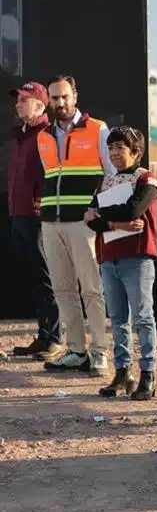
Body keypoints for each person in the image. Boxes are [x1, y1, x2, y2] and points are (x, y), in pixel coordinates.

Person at [38, 75, 115, 377]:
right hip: (51, 223)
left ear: (75, 96)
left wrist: (99, 212)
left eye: (64, 96)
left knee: (92, 289)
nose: (60, 103)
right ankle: (76, 350)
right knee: (62, 289)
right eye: (54, 98)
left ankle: (99, 352)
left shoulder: (97, 129)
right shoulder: (43, 136)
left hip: (83, 223)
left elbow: (111, 174)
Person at [84, 126, 157, 401]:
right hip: (109, 257)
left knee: (142, 317)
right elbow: (89, 219)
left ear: (136, 152)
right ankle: (122, 371)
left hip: (136, 257)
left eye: (120, 148)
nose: (115, 153)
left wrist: (102, 214)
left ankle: (148, 374)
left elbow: (133, 209)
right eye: (111, 148)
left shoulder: (147, 179)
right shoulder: (105, 181)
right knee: (118, 319)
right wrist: (117, 224)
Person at [8, 82, 62, 361]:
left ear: (40, 105)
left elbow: (51, 174)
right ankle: (44, 336)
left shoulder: (46, 134)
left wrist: (41, 206)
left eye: (24, 100)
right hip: (18, 214)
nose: (18, 104)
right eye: (17, 99)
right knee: (33, 276)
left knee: (46, 276)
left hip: (37, 217)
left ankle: (55, 338)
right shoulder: (22, 135)